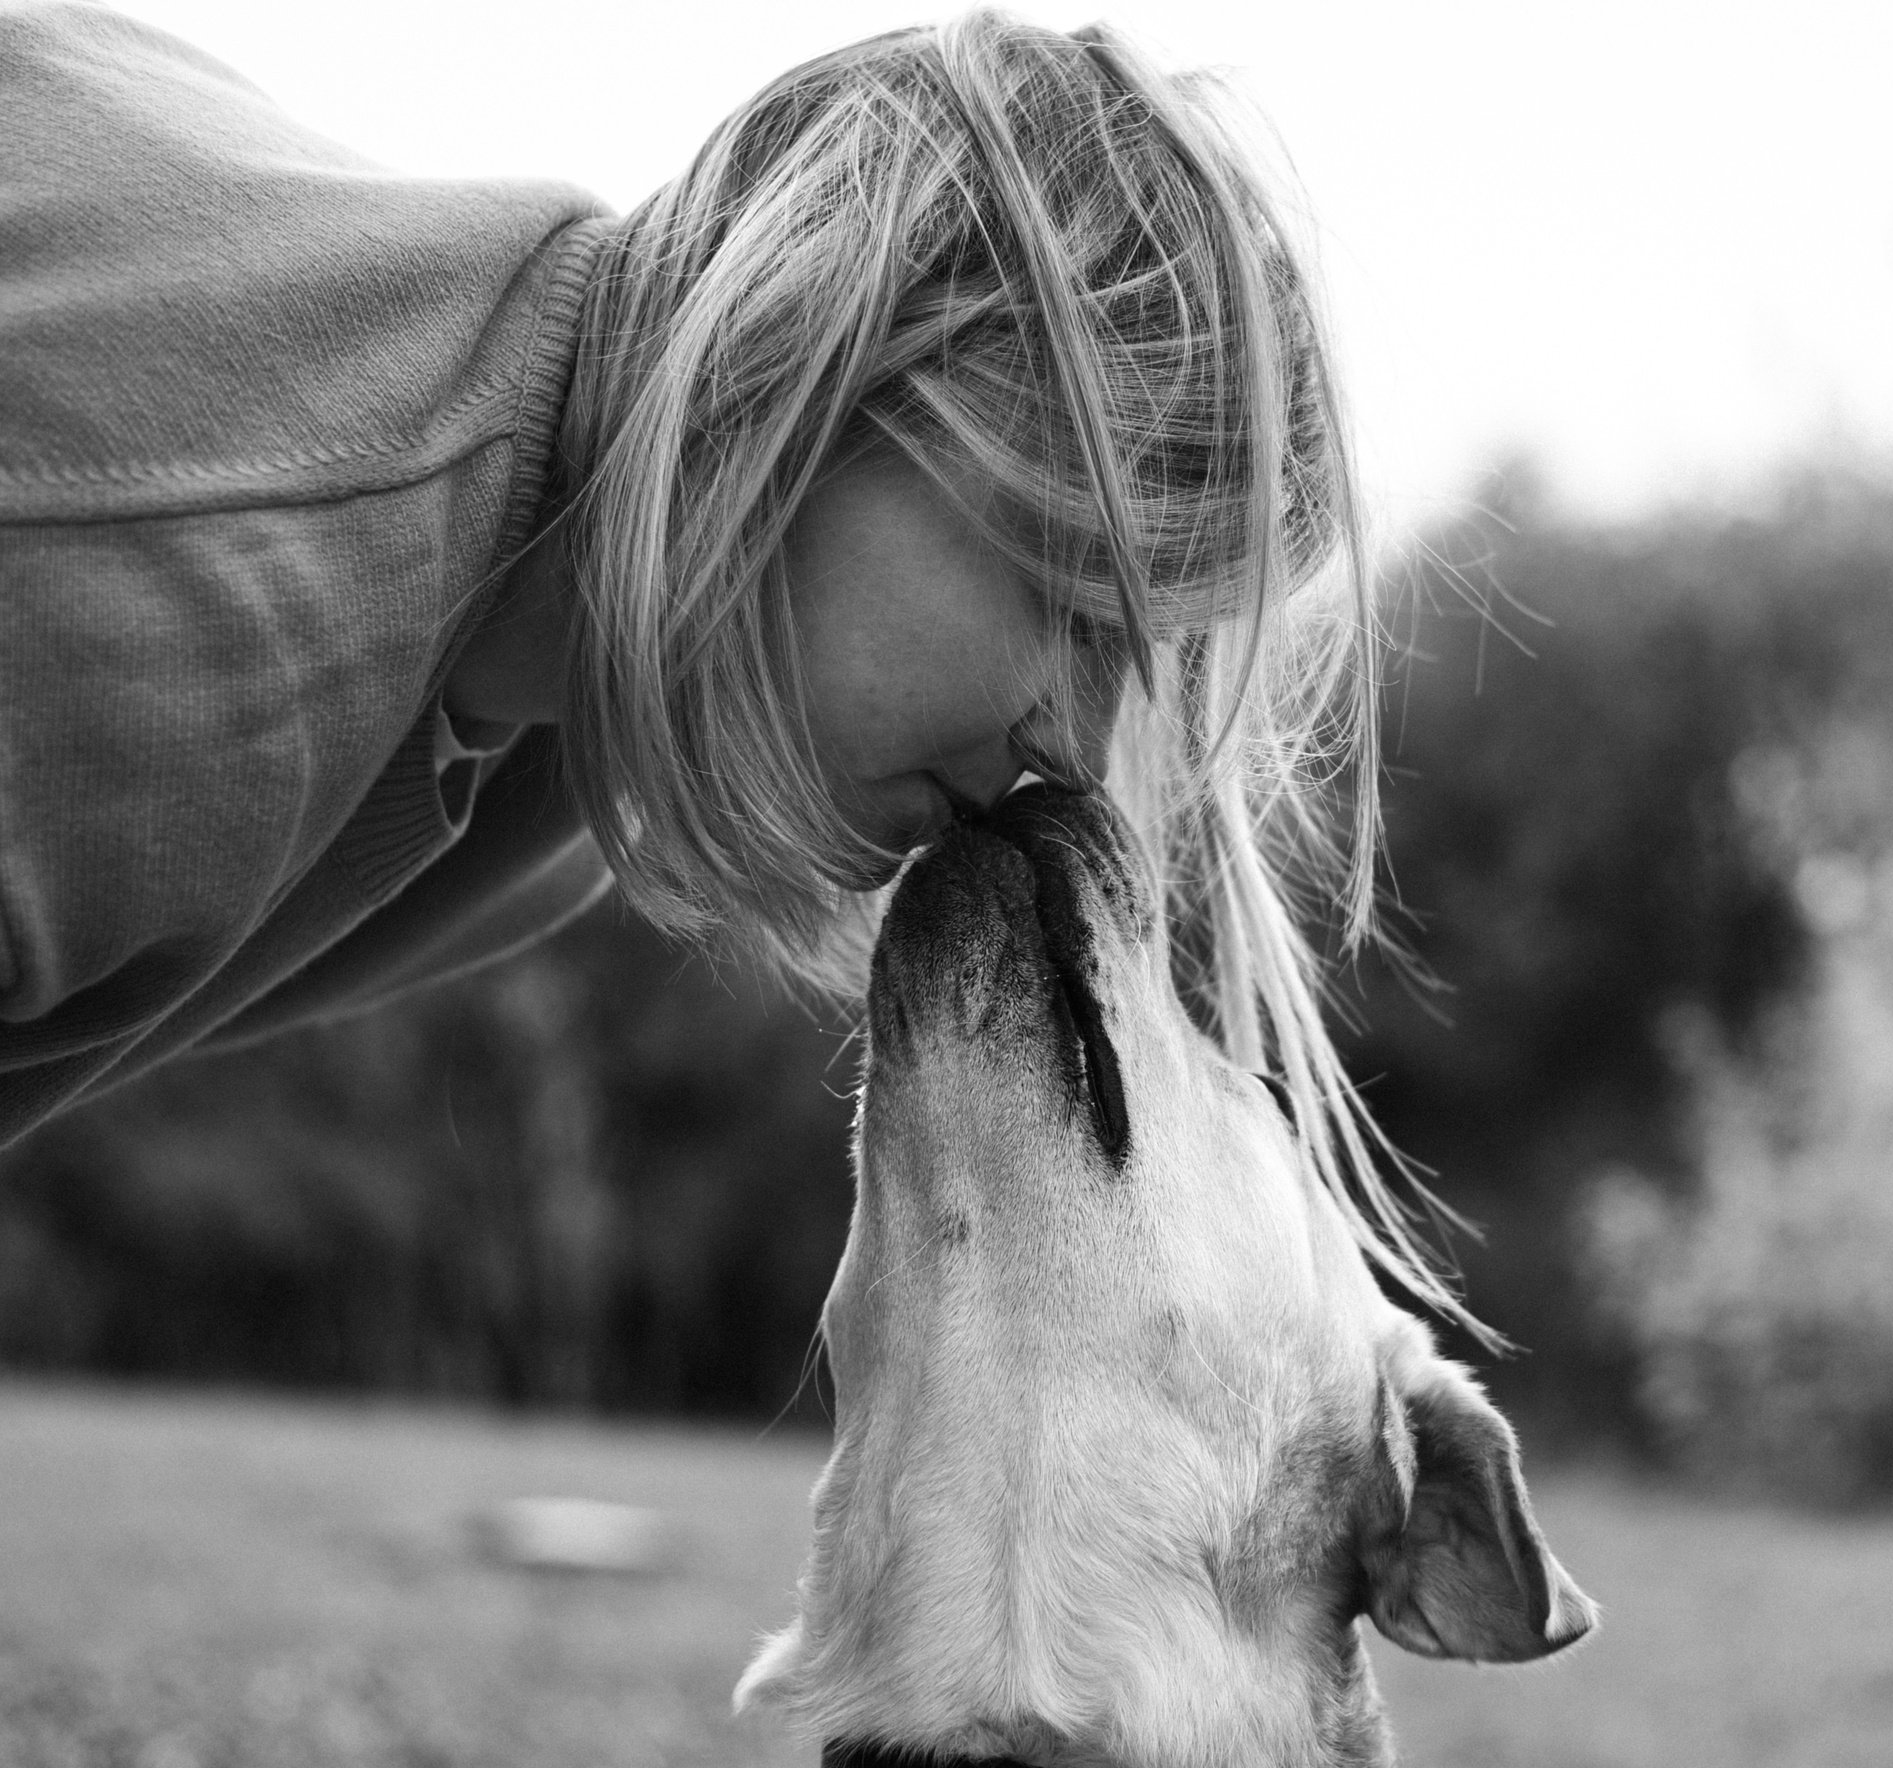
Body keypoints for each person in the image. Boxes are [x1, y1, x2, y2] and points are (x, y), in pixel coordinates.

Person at [0, 1, 1465, 1317]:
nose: (1068, 754)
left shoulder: (543, 803)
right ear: (834, 343)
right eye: (1080, 604)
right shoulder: (170, 606)